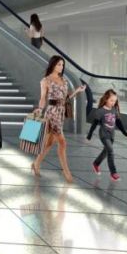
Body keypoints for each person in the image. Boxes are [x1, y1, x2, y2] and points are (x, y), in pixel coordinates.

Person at [31, 55, 86, 183]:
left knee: (49, 143)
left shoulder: (64, 80)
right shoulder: (46, 80)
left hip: (60, 113)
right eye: (58, 65)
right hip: (51, 113)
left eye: (62, 65)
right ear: (53, 65)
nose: (61, 67)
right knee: (62, 142)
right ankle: (66, 171)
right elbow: (43, 98)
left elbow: (65, 99)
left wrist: (77, 91)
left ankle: (36, 164)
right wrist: (40, 108)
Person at [87, 89, 127, 181]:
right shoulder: (100, 111)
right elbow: (94, 124)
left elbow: (118, 122)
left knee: (106, 151)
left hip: (112, 135)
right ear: (106, 99)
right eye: (111, 100)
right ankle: (113, 173)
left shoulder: (114, 110)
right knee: (110, 151)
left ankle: (96, 163)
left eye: (115, 101)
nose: (113, 102)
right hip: (103, 134)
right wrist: (90, 134)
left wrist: (125, 133)